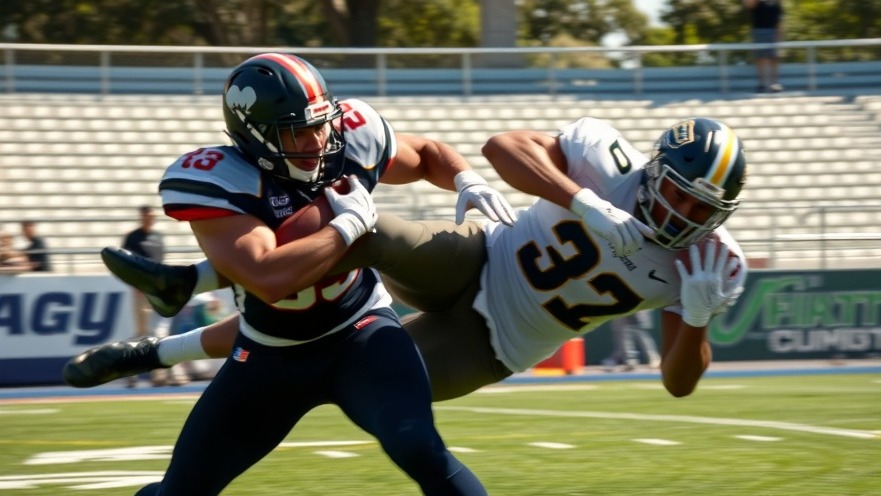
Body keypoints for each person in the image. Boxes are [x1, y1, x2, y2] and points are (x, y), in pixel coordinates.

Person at [67, 116, 748, 404]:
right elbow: (502, 145)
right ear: (655, 172)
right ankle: (193, 279)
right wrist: (584, 201)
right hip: (476, 256)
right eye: (679, 198)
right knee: (348, 231)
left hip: (490, 344)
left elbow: (678, 385)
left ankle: (148, 355)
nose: (683, 218)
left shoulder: (710, 265)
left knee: (323, 353)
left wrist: (693, 321)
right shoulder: (611, 164)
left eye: (700, 211)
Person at [96, 52, 499, 496]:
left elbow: (425, 154)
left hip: (360, 333)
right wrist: (348, 225)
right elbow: (268, 277)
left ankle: (184, 288)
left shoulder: (349, 135)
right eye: (297, 131)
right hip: (270, 357)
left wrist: (467, 179)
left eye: (321, 124)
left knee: (421, 448)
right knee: (182, 491)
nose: (317, 140)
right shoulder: (224, 179)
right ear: (254, 135)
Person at [119, 205, 187, 387]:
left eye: (152, 216)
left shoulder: (158, 237)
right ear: (141, 217)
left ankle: (159, 375)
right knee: (142, 335)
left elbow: (160, 264)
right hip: (141, 292)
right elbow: (123, 264)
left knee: (160, 333)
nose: (150, 219)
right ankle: (129, 371)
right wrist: (135, 283)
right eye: (147, 216)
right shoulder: (133, 238)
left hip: (158, 292)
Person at [745, 0, 784, 93]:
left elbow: (779, 20)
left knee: (774, 58)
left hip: (772, 31)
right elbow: (749, 5)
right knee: (760, 58)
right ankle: (761, 84)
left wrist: (780, 35)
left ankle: (774, 83)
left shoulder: (775, 3)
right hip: (758, 31)